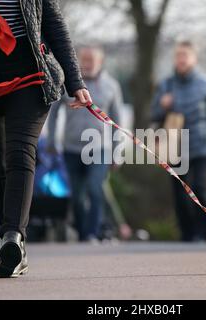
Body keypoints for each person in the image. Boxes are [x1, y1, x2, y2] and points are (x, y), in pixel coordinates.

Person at [0, 0, 92, 278]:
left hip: (30, 74)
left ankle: (13, 236)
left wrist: (76, 82)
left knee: (21, 151)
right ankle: (10, 240)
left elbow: (55, 26)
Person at [151, 41, 206, 242]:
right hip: (174, 144)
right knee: (179, 192)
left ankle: (204, 231)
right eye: (178, 55)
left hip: (202, 144)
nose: (181, 59)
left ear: (194, 59)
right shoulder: (166, 84)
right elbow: (154, 114)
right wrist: (162, 105)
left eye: (185, 55)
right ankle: (187, 234)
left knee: (199, 187)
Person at [47, 46, 123, 242]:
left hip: (99, 149)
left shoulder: (111, 86)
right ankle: (83, 234)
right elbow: (54, 113)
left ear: (100, 62)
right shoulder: (67, 83)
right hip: (71, 148)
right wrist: (53, 140)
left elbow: (118, 122)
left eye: (92, 60)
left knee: (95, 189)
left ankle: (92, 233)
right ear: (78, 60)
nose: (87, 64)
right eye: (84, 60)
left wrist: (117, 152)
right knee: (78, 196)